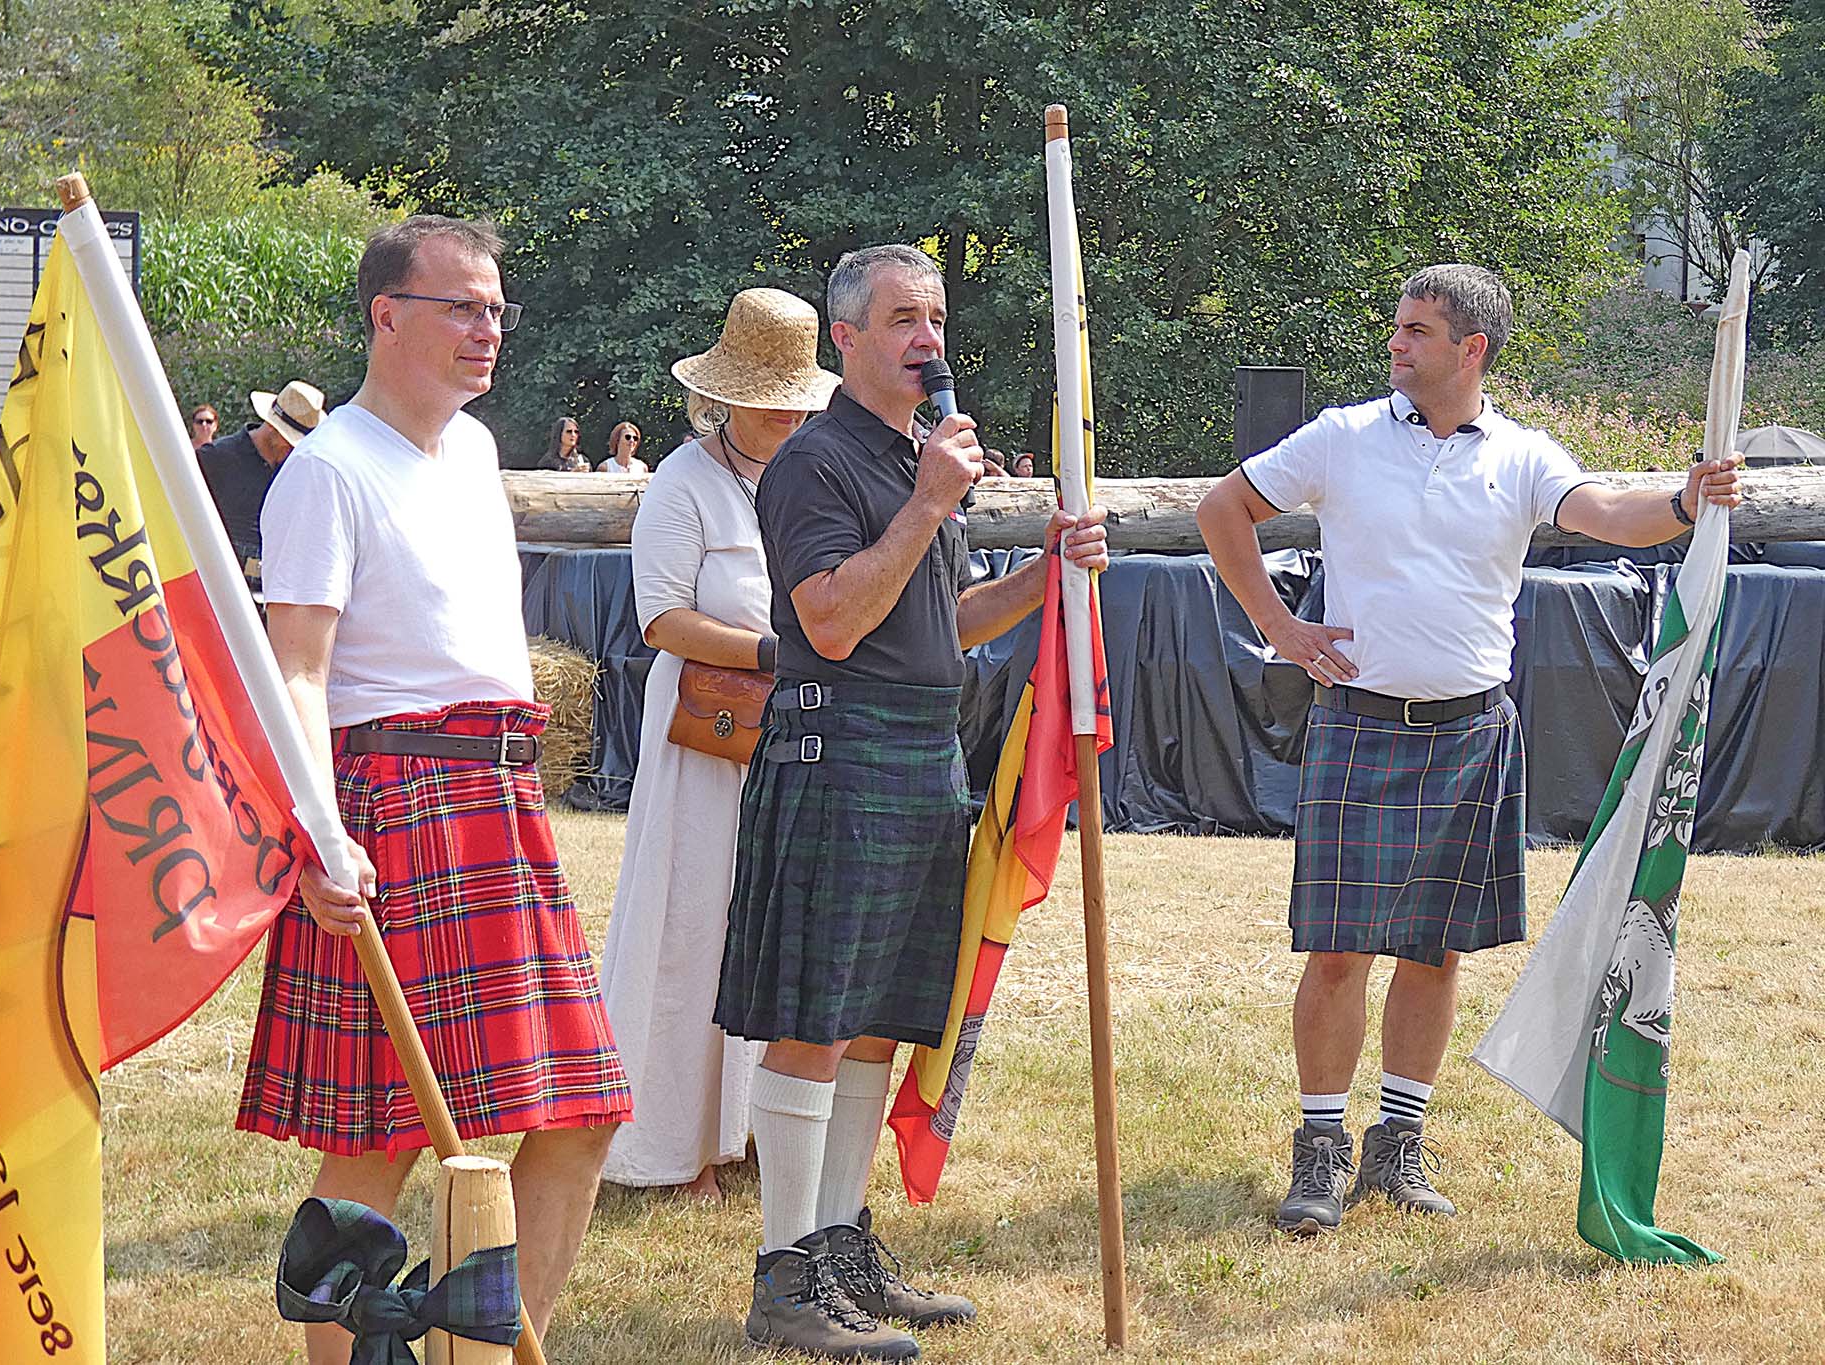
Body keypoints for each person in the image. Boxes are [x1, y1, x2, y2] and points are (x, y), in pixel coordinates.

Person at [1193, 263, 1744, 1238]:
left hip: (1469, 731)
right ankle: (1319, 1150)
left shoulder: (1521, 457)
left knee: (1435, 952)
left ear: (1469, 349)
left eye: (1414, 331)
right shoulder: (1343, 438)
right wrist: (1280, 627)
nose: (1394, 345)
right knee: (1334, 953)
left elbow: (1608, 517)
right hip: (1359, 723)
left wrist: (1688, 503)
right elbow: (1219, 511)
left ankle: (1394, 1146)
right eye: (1395, 327)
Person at [234, 215, 628, 1365]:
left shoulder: (470, 449)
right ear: (386, 315)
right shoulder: (326, 472)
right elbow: (297, 668)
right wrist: (320, 831)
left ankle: (492, 1353)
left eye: (496, 307)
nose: (486, 327)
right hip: (391, 803)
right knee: (383, 1129)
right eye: (461, 304)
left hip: (498, 801)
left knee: (580, 1114)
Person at [716, 244, 1108, 1360]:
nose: (925, 338)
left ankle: (837, 1246)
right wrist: (930, 506)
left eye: (933, 317)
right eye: (899, 319)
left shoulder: (914, 461)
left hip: (921, 757)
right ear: (844, 340)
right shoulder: (817, 464)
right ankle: (783, 1276)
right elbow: (831, 623)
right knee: (813, 1023)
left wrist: (1046, 574)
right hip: (835, 755)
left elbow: (940, 625)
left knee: (878, 1022)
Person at [598, 288, 839, 1201]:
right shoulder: (680, 481)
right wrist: (782, 651)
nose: (782, 411)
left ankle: (752, 1133)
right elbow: (661, 619)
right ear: (722, 395)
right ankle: (674, 1140)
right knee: (693, 927)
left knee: (778, 928)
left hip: (802, 733)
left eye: (793, 396)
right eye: (765, 393)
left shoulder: (818, 476)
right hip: (707, 745)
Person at [196, 379, 323, 575]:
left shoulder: (297, 469)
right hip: (216, 587)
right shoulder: (214, 458)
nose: (293, 449)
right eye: (289, 441)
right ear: (273, 426)